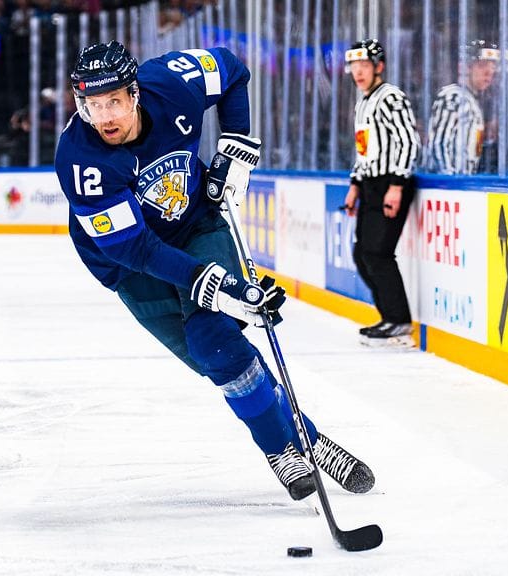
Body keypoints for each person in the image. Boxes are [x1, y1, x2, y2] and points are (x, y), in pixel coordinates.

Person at [54, 41, 374, 501]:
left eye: (114, 102)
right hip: (129, 267)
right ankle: (308, 438)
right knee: (223, 363)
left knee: (214, 340)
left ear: (135, 93)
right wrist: (213, 284)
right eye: (92, 105)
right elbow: (134, 247)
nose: (104, 117)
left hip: (196, 226)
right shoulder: (79, 158)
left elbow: (232, 69)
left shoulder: (171, 83)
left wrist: (235, 145)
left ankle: (279, 448)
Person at [341, 39, 420, 345]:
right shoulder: (363, 102)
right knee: (362, 254)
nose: (358, 72)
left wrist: (397, 185)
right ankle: (389, 316)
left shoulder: (391, 97)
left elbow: (408, 141)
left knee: (377, 253)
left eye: (364, 65)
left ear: (379, 67)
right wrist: (355, 185)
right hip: (371, 186)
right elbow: (364, 151)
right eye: (354, 66)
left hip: (391, 184)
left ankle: (399, 320)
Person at [426, 40, 500, 175]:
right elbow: (439, 145)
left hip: (463, 181)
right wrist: (450, 182)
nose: (489, 72)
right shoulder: (454, 97)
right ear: (464, 67)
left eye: (493, 67)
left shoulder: (471, 100)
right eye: (482, 65)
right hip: (449, 184)